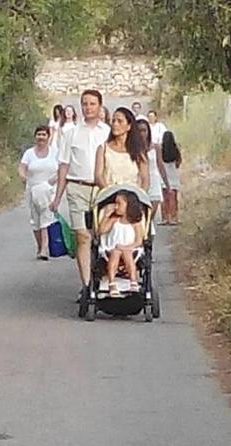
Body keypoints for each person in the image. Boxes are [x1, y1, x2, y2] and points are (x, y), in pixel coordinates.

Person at [50, 89, 111, 300]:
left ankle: (102, 278)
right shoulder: (71, 133)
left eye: (92, 104)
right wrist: (57, 197)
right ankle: (87, 286)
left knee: (101, 234)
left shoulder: (107, 132)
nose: (88, 107)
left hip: (102, 188)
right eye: (85, 104)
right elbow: (64, 166)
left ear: (100, 106)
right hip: (77, 187)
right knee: (82, 236)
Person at [18, 125, 58, 260]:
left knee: (46, 218)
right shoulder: (29, 153)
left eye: (44, 135)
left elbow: (61, 169)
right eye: (38, 134)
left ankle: (45, 249)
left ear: (48, 137)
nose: (41, 137)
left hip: (48, 188)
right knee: (35, 221)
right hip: (32, 188)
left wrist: (51, 182)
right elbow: (22, 167)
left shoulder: (55, 152)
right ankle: (40, 246)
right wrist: (23, 176)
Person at [97, 191, 145, 297]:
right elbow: (102, 231)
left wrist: (126, 247)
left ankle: (133, 281)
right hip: (112, 248)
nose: (116, 207)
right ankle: (112, 283)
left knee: (126, 252)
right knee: (116, 252)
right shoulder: (114, 220)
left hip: (131, 249)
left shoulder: (135, 223)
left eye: (119, 204)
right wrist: (106, 216)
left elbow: (138, 241)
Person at [94, 107, 148, 190]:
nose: (115, 124)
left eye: (120, 121)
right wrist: (111, 194)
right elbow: (98, 177)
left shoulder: (138, 151)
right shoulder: (103, 149)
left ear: (129, 126)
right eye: (113, 121)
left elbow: (145, 179)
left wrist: (139, 197)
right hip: (109, 198)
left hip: (132, 198)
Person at [135, 119, 169, 217]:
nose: (142, 134)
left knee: (152, 211)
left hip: (154, 180)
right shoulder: (133, 149)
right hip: (139, 181)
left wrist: (167, 184)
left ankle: (148, 227)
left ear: (148, 132)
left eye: (144, 130)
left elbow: (160, 165)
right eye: (139, 131)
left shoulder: (156, 147)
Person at [161, 130, 183, 225]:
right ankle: (175, 217)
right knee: (174, 198)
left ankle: (165, 218)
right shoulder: (176, 150)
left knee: (165, 198)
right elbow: (178, 163)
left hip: (164, 176)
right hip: (173, 175)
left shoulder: (161, 150)